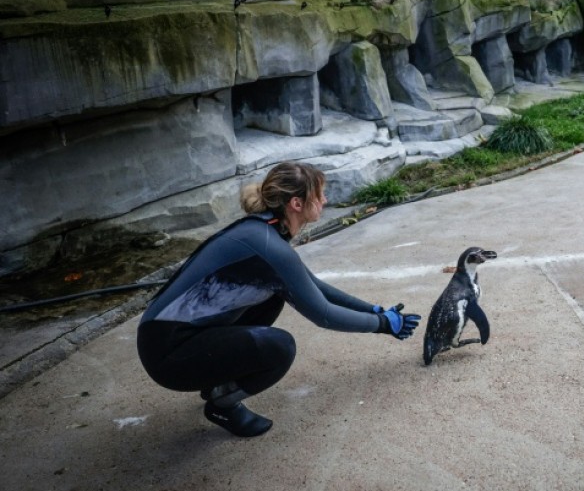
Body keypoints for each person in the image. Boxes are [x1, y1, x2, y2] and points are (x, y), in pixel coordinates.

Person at [137, 161, 421, 437]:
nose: (325, 200)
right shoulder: (267, 244)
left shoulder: (264, 230)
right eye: (319, 195)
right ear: (296, 203)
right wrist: (382, 324)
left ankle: (215, 380)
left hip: (170, 337)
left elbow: (313, 286)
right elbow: (324, 314)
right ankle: (222, 403)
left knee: (273, 296)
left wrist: (375, 310)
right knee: (279, 347)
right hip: (167, 354)